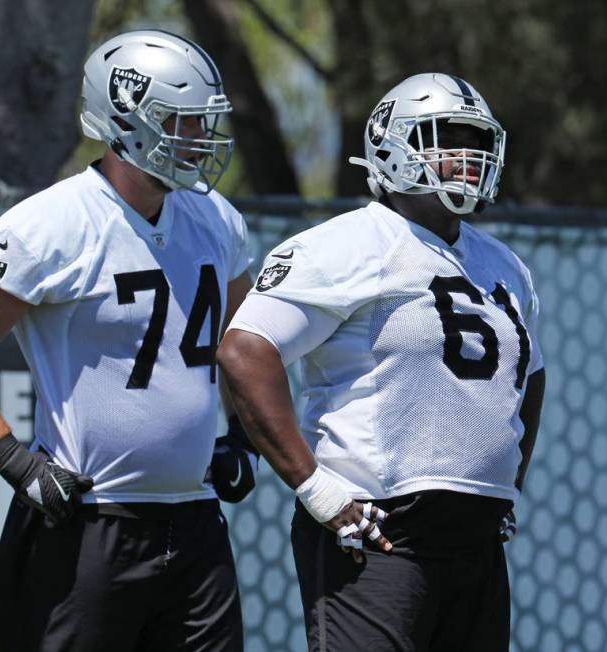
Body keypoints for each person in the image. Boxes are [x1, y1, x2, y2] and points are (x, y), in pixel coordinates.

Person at [0, 30, 260, 651]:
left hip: (195, 519)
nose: (197, 139)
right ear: (126, 121)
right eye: (180, 122)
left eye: (200, 122)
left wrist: (241, 436)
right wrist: (17, 465)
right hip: (88, 524)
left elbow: (241, 344)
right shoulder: (54, 223)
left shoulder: (216, 218)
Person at [217, 73, 545, 651]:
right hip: (376, 533)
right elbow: (246, 352)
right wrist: (314, 486)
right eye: (448, 137)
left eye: (476, 139)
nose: (467, 157)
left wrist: (505, 481)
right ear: (394, 145)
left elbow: (529, 376)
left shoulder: (504, 264)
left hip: (474, 539)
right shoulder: (350, 243)